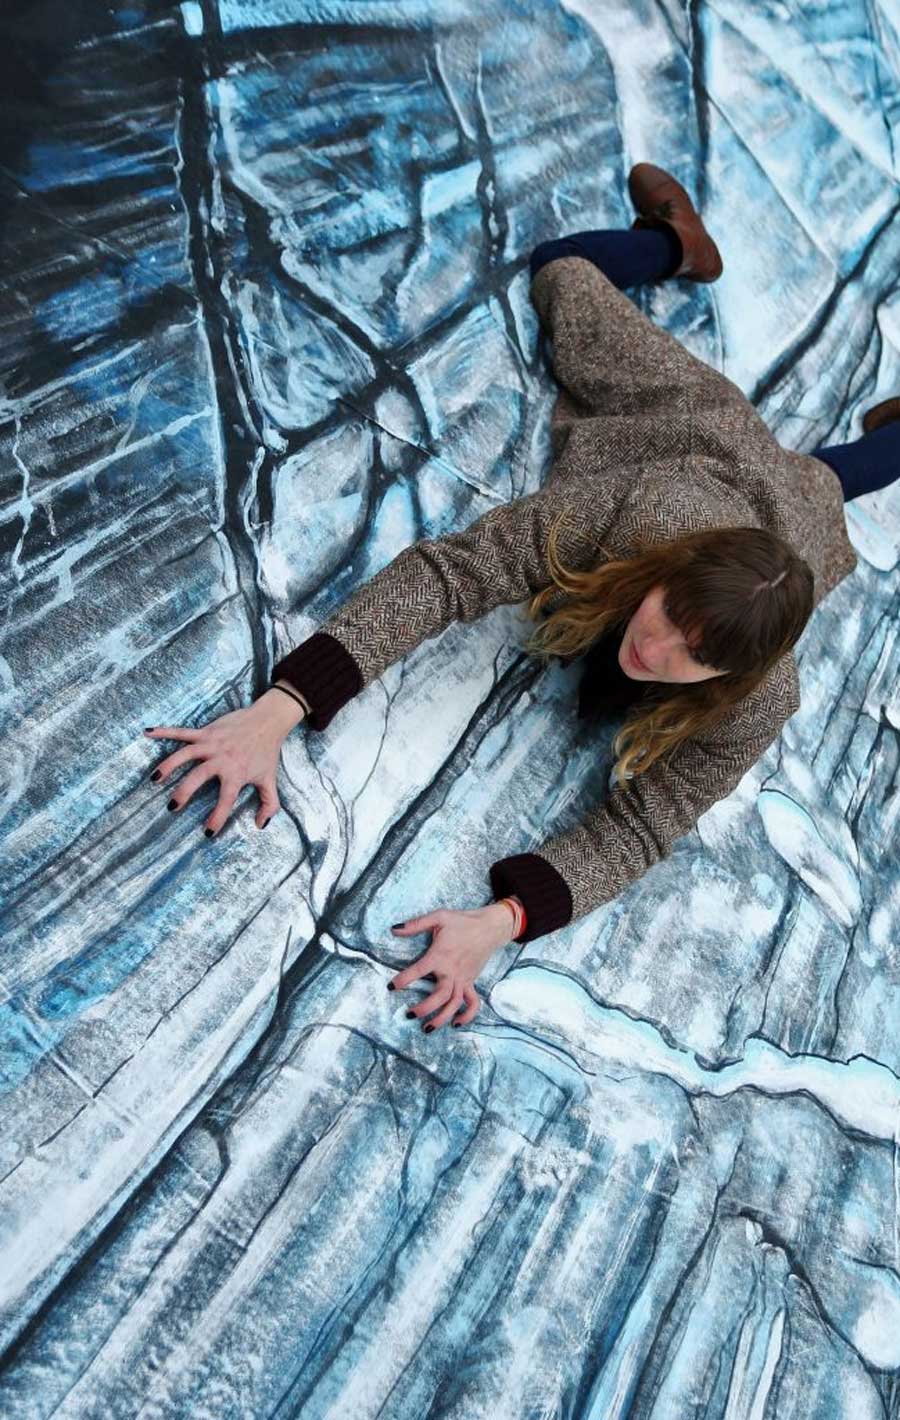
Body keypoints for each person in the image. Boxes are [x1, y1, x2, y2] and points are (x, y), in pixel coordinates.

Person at [143, 163, 893, 1035]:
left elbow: (648, 824)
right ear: (660, 571)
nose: (653, 650)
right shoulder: (645, 514)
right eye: (665, 612)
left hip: (791, 523)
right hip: (689, 430)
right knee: (561, 270)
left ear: (731, 673)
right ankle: (675, 244)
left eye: (694, 654)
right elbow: (454, 573)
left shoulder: (761, 696)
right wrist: (280, 708)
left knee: (814, 490)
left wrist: (503, 921)